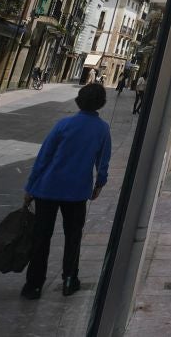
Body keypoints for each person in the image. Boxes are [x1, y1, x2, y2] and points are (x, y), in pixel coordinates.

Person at [21, 82, 112, 299]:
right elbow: (103, 160)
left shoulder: (63, 124)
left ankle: (34, 285)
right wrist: (100, 183)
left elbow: (44, 157)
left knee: (41, 237)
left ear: (79, 99)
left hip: (48, 188)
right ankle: (70, 279)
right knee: (73, 237)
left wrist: (30, 186)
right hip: (77, 192)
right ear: (101, 103)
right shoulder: (102, 129)